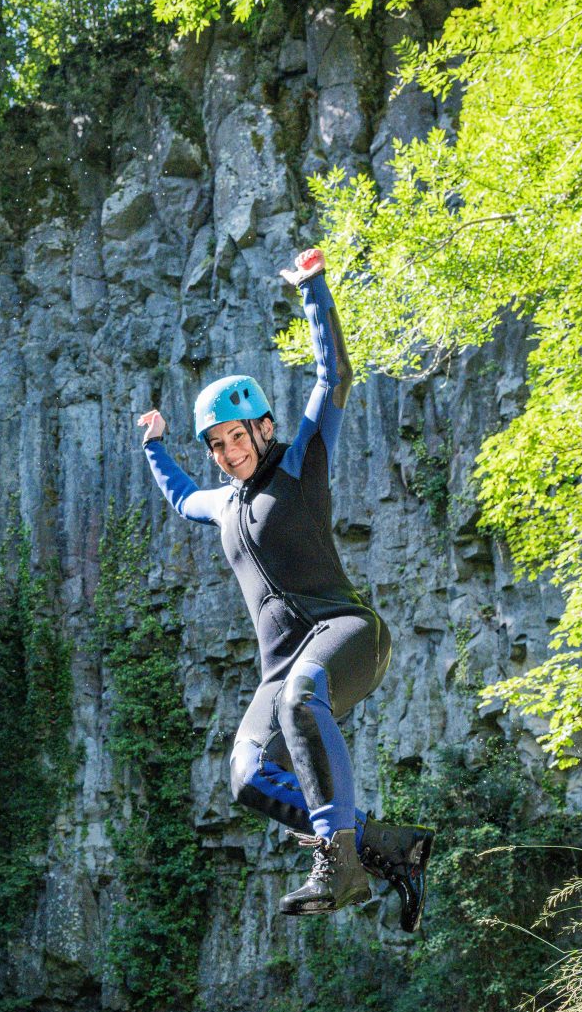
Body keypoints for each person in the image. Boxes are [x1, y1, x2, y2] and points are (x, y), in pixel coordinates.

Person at [135, 246, 433, 924]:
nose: (228, 452)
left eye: (236, 437)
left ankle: (337, 861)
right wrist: (154, 447)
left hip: (346, 634)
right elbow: (181, 498)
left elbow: (334, 376)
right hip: (281, 669)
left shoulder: (300, 464)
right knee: (247, 775)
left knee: (303, 697)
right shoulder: (222, 503)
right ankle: (392, 851)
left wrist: (313, 290)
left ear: (262, 427)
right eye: (215, 445)